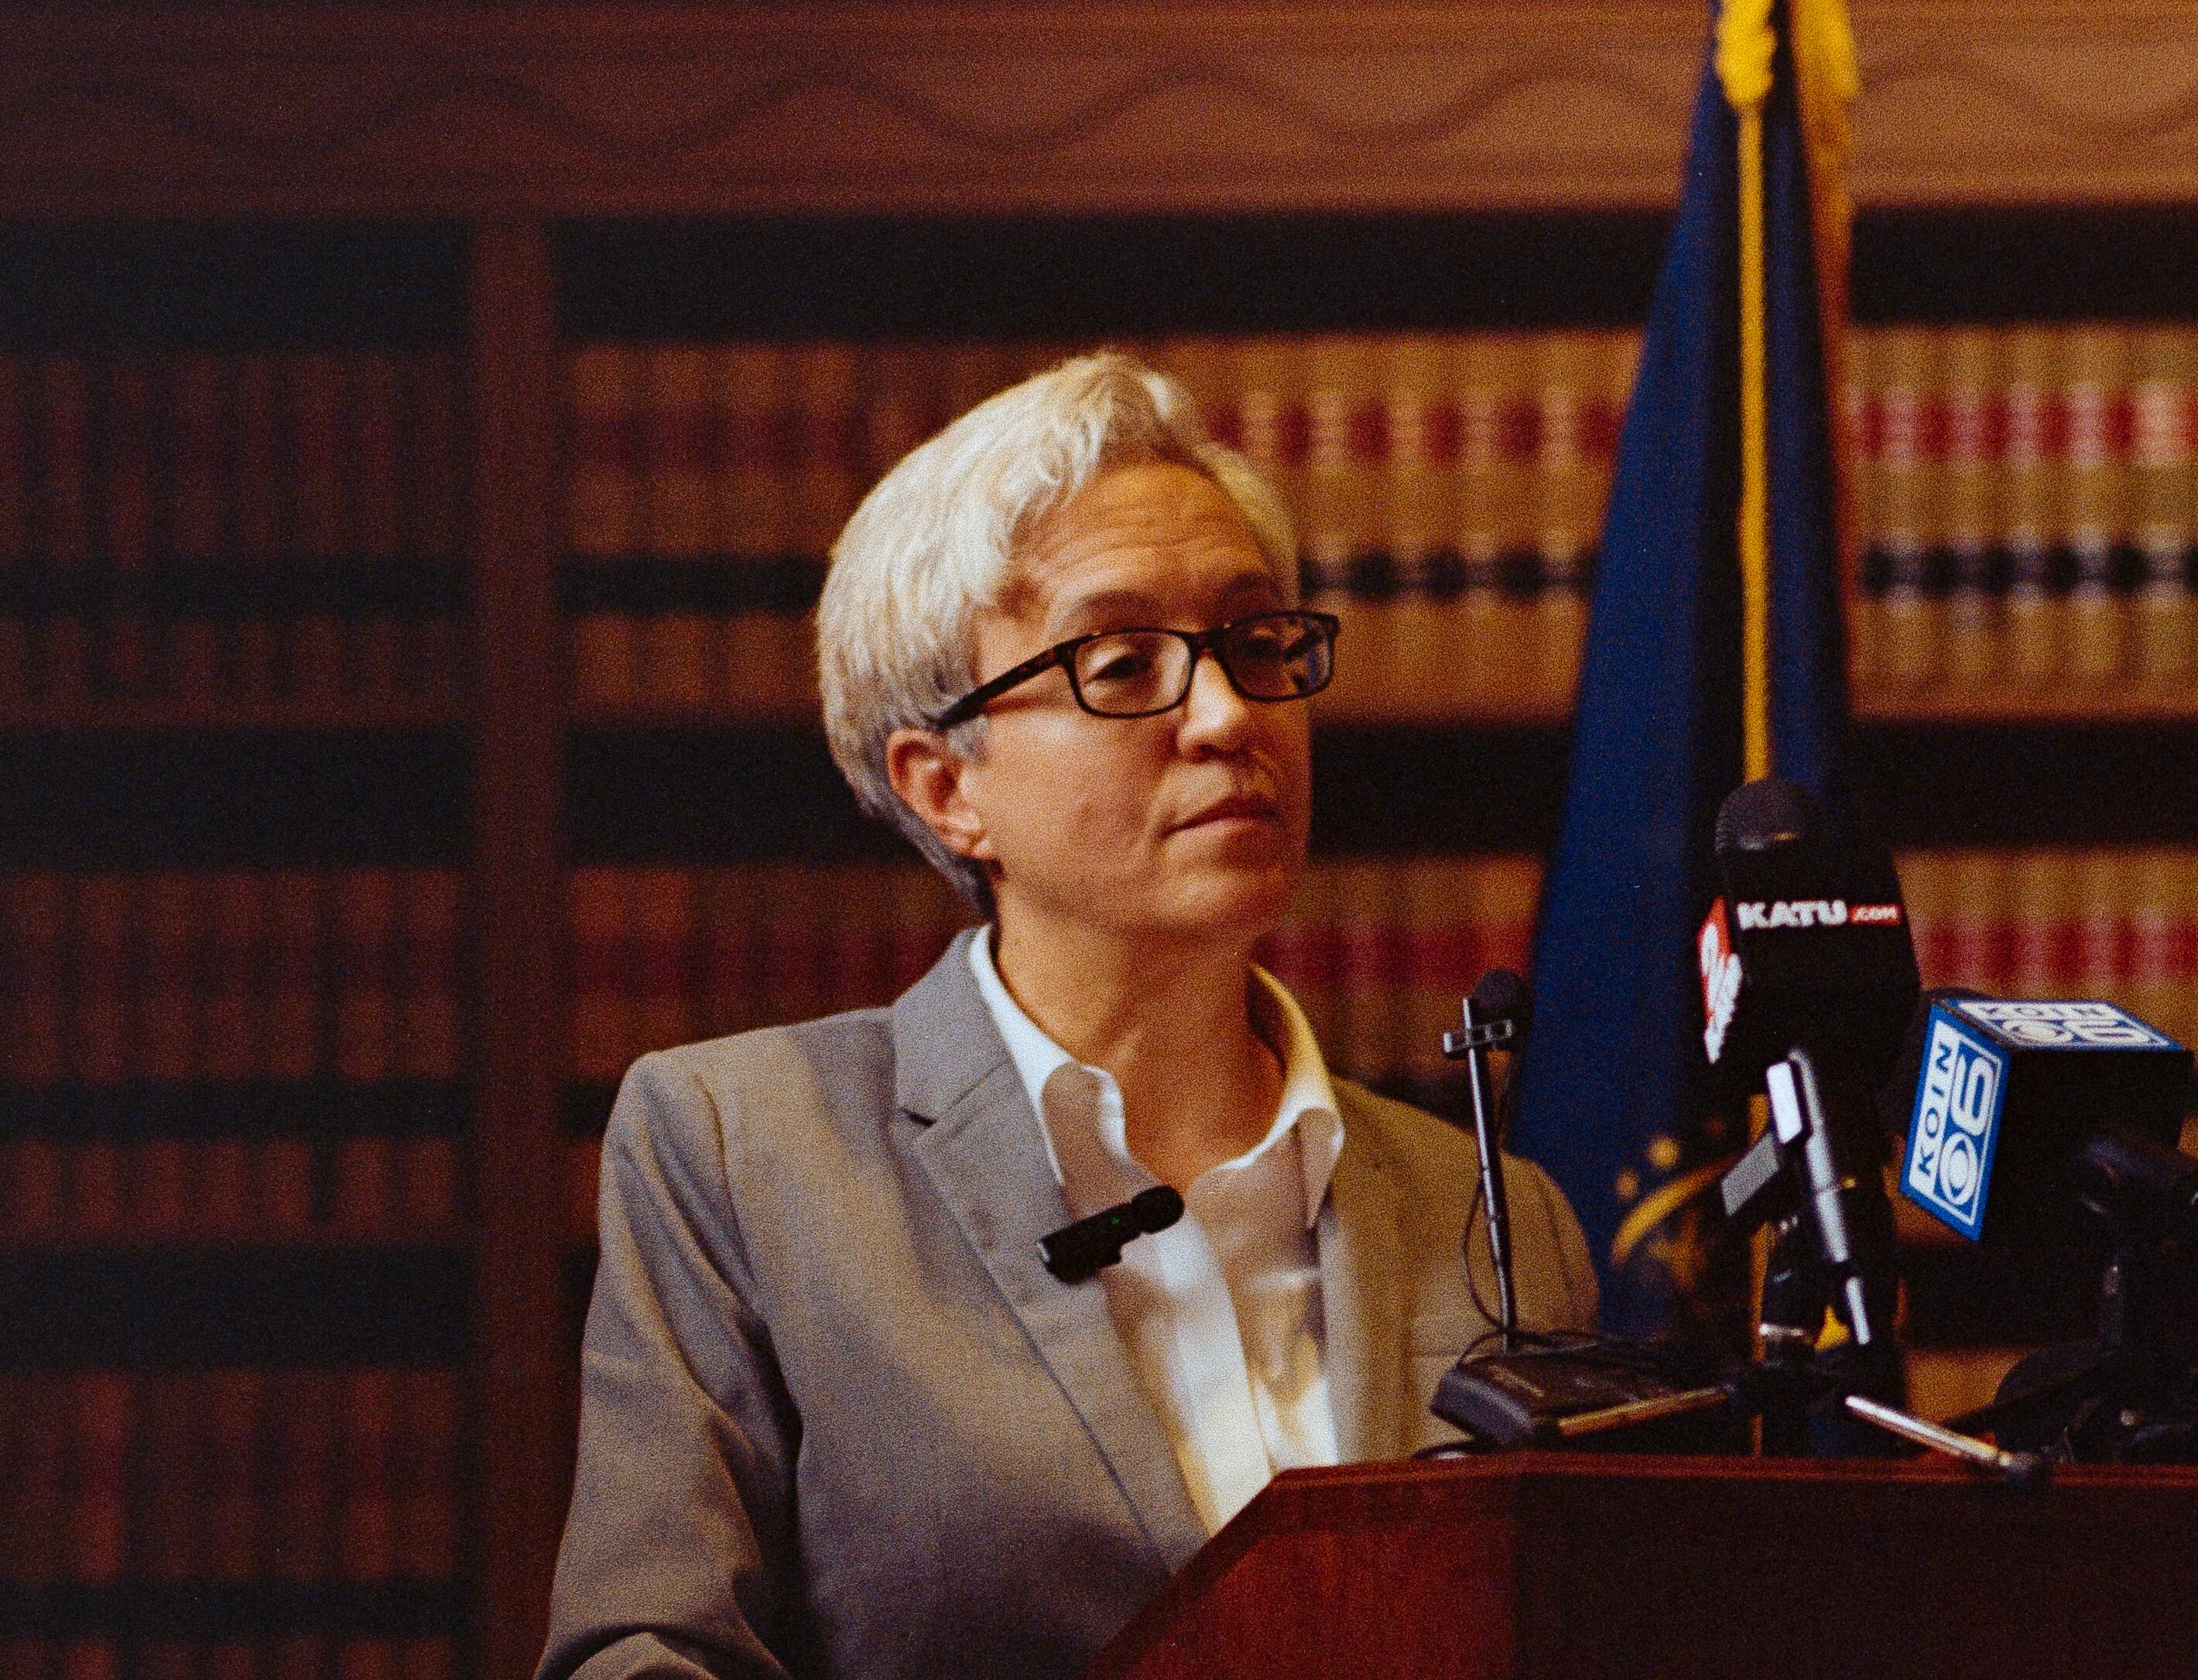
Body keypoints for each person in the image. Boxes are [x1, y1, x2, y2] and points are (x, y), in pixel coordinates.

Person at [539, 352, 1599, 1680]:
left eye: (1255, 644)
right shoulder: (744, 1151)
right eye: (1124, 662)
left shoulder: (1498, 1213)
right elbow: (639, 1658)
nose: (1228, 715)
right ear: (946, 787)